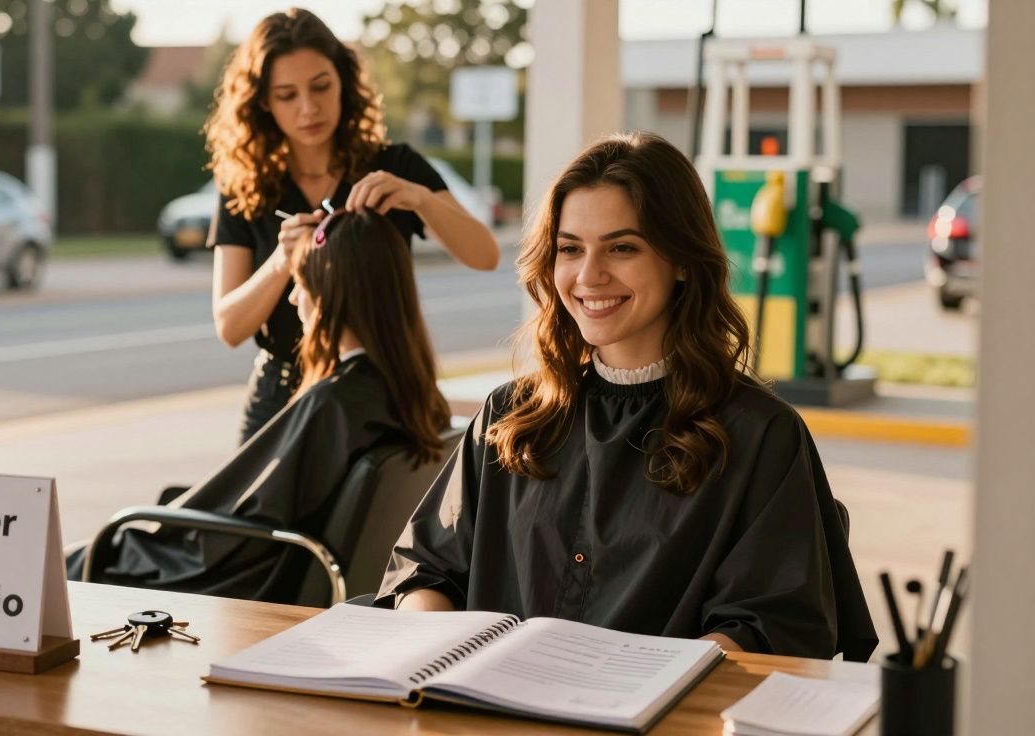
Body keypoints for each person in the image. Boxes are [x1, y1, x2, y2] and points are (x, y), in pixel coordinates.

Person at [375, 132, 878, 661]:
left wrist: (639, 686)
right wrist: (439, 649)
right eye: (570, 249)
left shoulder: (760, 435)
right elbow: (426, 571)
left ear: (683, 260)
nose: (589, 276)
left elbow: (769, 627)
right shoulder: (509, 416)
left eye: (622, 247)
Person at [71, 209, 451, 603]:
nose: (292, 296)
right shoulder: (414, 395)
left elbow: (239, 536)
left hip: (253, 583)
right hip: (300, 571)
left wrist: (158, 530)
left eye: (301, 283)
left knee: (80, 558)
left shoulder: (334, 404)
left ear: (329, 295)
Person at [204, 7, 499, 444]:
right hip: (281, 400)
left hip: (384, 390)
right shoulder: (245, 188)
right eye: (288, 95)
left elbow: (485, 255)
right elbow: (229, 327)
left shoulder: (393, 166)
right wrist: (282, 262)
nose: (309, 108)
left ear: (343, 79)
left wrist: (418, 198)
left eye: (321, 86)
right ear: (264, 102)